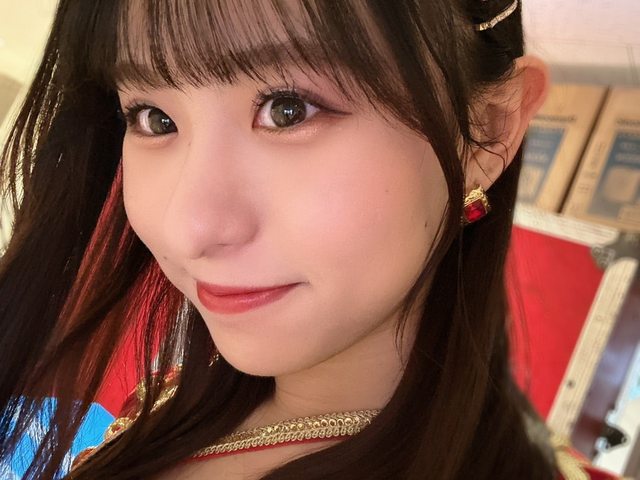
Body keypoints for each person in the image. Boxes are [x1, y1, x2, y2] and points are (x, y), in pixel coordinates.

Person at [0, 1, 622, 479]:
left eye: (288, 108)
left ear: (487, 128)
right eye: (153, 118)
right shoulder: (179, 394)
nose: (190, 229)